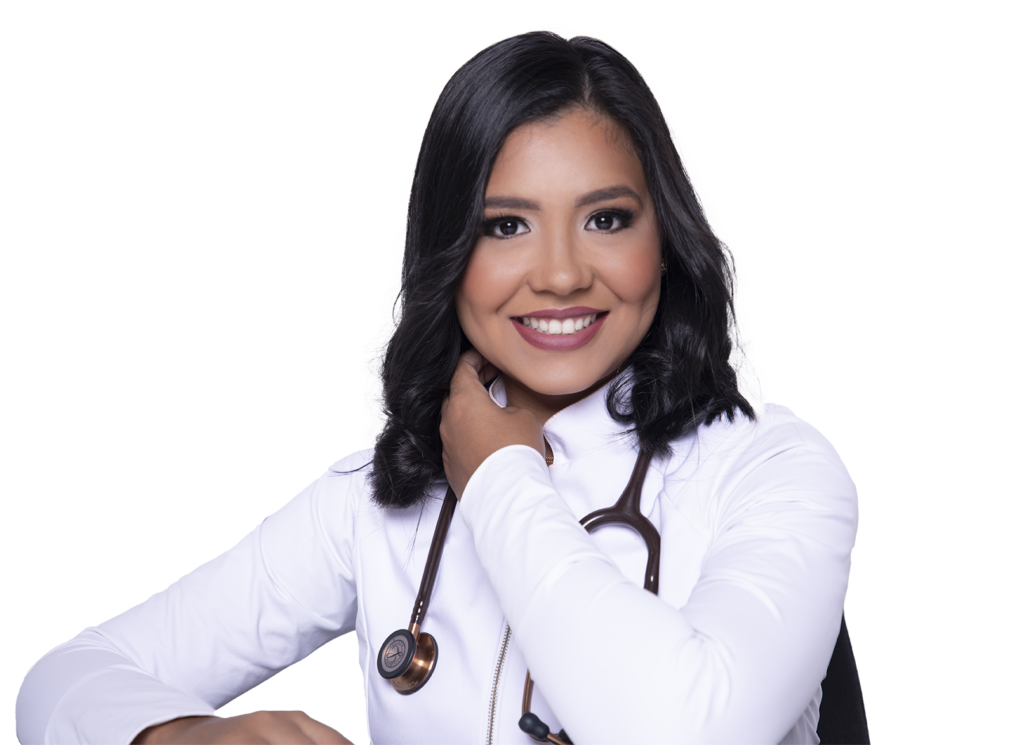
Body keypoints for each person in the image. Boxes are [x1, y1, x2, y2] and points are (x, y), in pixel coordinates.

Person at [15, 24, 859, 745]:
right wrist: (177, 734)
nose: (562, 274)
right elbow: (65, 678)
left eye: (606, 218)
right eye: (506, 225)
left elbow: (685, 731)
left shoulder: (775, 467)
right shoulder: (377, 498)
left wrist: (498, 475)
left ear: (665, 241)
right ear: (446, 253)